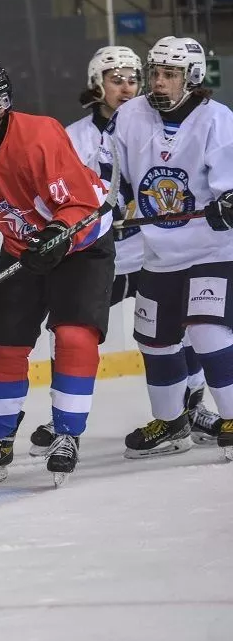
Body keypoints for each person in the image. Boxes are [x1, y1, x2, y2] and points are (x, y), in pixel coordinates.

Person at [26, 46, 220, 456]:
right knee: (72, 329)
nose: (128, 87)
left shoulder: (165, 123)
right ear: (96, 84)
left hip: (148, 253)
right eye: (117, 80)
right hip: (101, 256)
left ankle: (192, 407)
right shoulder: (76, 136)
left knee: (187, 328)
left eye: (134, 79)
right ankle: (63, 414)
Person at [0, 63, 115, 486]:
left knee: (73, 335)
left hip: (81, 243)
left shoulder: (39, 134)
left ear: (1, 104)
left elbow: (79, 203)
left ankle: (67, 434)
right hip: (24, 249)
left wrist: (59, 234)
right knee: (5, 341)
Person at [112, 36, 233, 461]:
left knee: (206, 329)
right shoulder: (130, 115)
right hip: (159, 253)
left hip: (212, 250)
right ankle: (171, 423)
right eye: (156, 73)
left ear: (192, 77)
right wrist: (106, 206)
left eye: (170, 74)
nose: (159, 82)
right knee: (154, 339)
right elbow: (113, 176)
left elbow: (230, 186)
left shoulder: (217, 119)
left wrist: (227, 202)